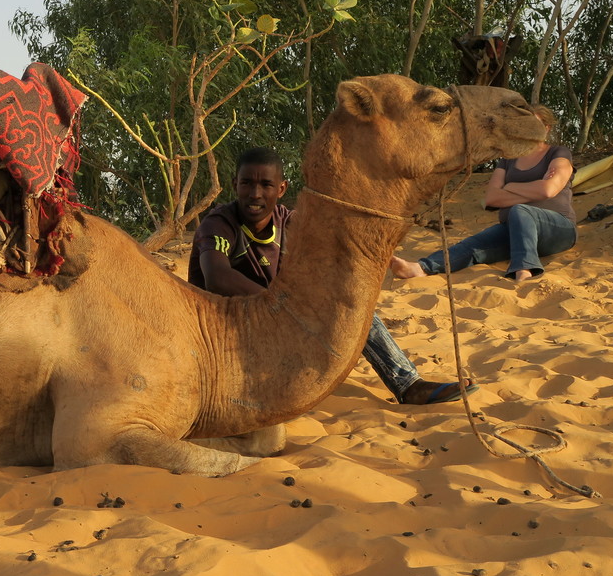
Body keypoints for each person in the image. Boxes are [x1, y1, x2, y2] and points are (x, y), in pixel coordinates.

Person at [187, 146, 477, 406]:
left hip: (277, 325)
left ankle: (407, 384)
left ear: (282, 188)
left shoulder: (291, 223)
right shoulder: (219, 223)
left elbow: (339, 247)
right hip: (223, 336)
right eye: (247, 183)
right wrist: (277, 305)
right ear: (234, 184)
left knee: (351, 304)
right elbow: (216, 277)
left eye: (266, 184)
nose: (255, 194)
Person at [390, 104, 576, 282]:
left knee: (520, 210)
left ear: (546, 128)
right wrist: (531, 189)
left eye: (534, 124)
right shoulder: (508, 160)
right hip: (516, 231)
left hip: (558, 229)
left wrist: (509, 188)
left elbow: (548, 189)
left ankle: (523, 269)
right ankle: (422, 268)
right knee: (473, 244)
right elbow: (491, 199)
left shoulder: (558, 153)